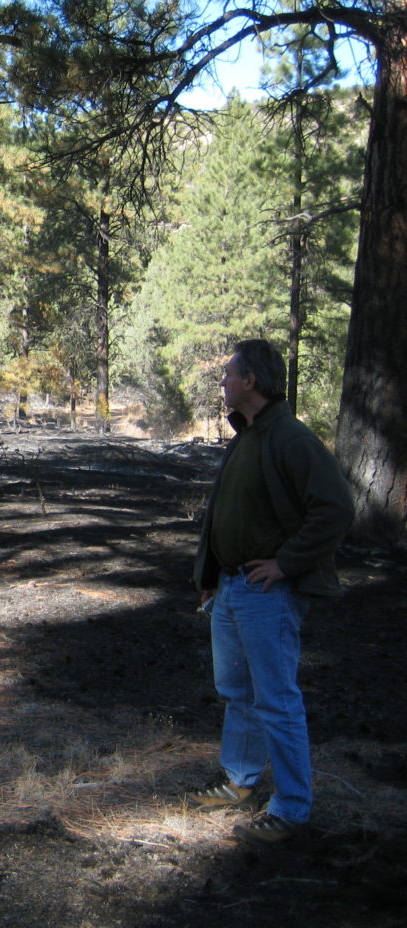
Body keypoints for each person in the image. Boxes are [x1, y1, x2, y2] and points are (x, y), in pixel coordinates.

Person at [188, 338, 353, 844]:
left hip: (268, 596)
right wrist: (211, 576)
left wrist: (286, 563)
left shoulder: (290, 438)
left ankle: (292, 810)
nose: (222, 383)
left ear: (250, 381)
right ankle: (239, 781)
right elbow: (224, 514)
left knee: (276, 701)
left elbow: (336, 510)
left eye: (227, 375)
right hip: (233, 589)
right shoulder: (249, 436)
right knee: (238, 694)